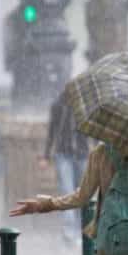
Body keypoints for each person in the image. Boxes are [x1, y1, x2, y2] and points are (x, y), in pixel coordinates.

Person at [40, 90, 91, 245]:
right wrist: (47, 155)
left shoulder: (87, 106)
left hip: (81, 155)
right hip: (64, 155)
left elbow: (93, 131)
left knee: (81, 193)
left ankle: (80, 229)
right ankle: (70, 232)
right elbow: (52, 131)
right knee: (67, 191)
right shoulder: (58, 105)